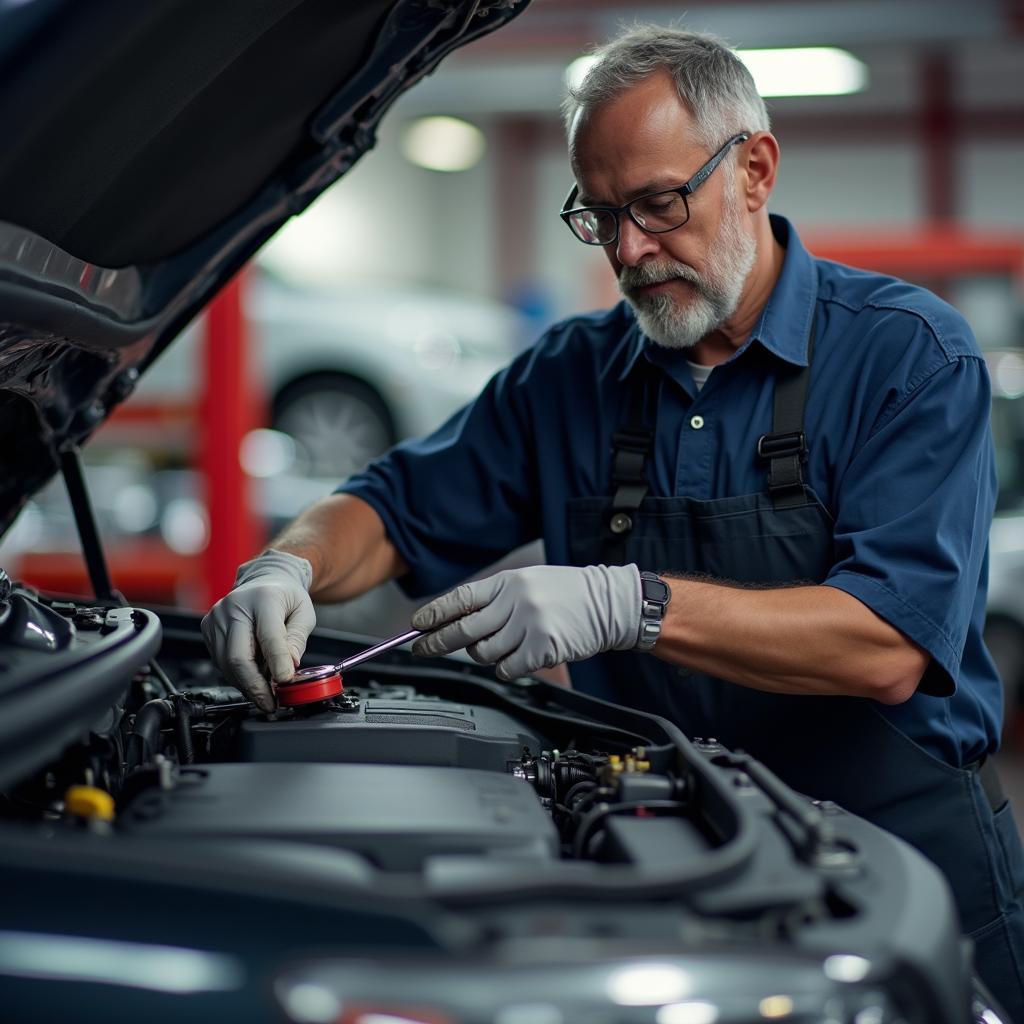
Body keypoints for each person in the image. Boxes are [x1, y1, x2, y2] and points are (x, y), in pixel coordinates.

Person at [203, 25, 1024, 1015]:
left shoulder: (907, 357)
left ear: (755, 169)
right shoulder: (568, 378)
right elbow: (387, 509)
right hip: (671, 867)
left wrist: (626, 603)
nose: (630, 250)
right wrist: (281, 569)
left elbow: (886, 643)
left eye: (658, 204)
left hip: (904, 882)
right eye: (600, 216)